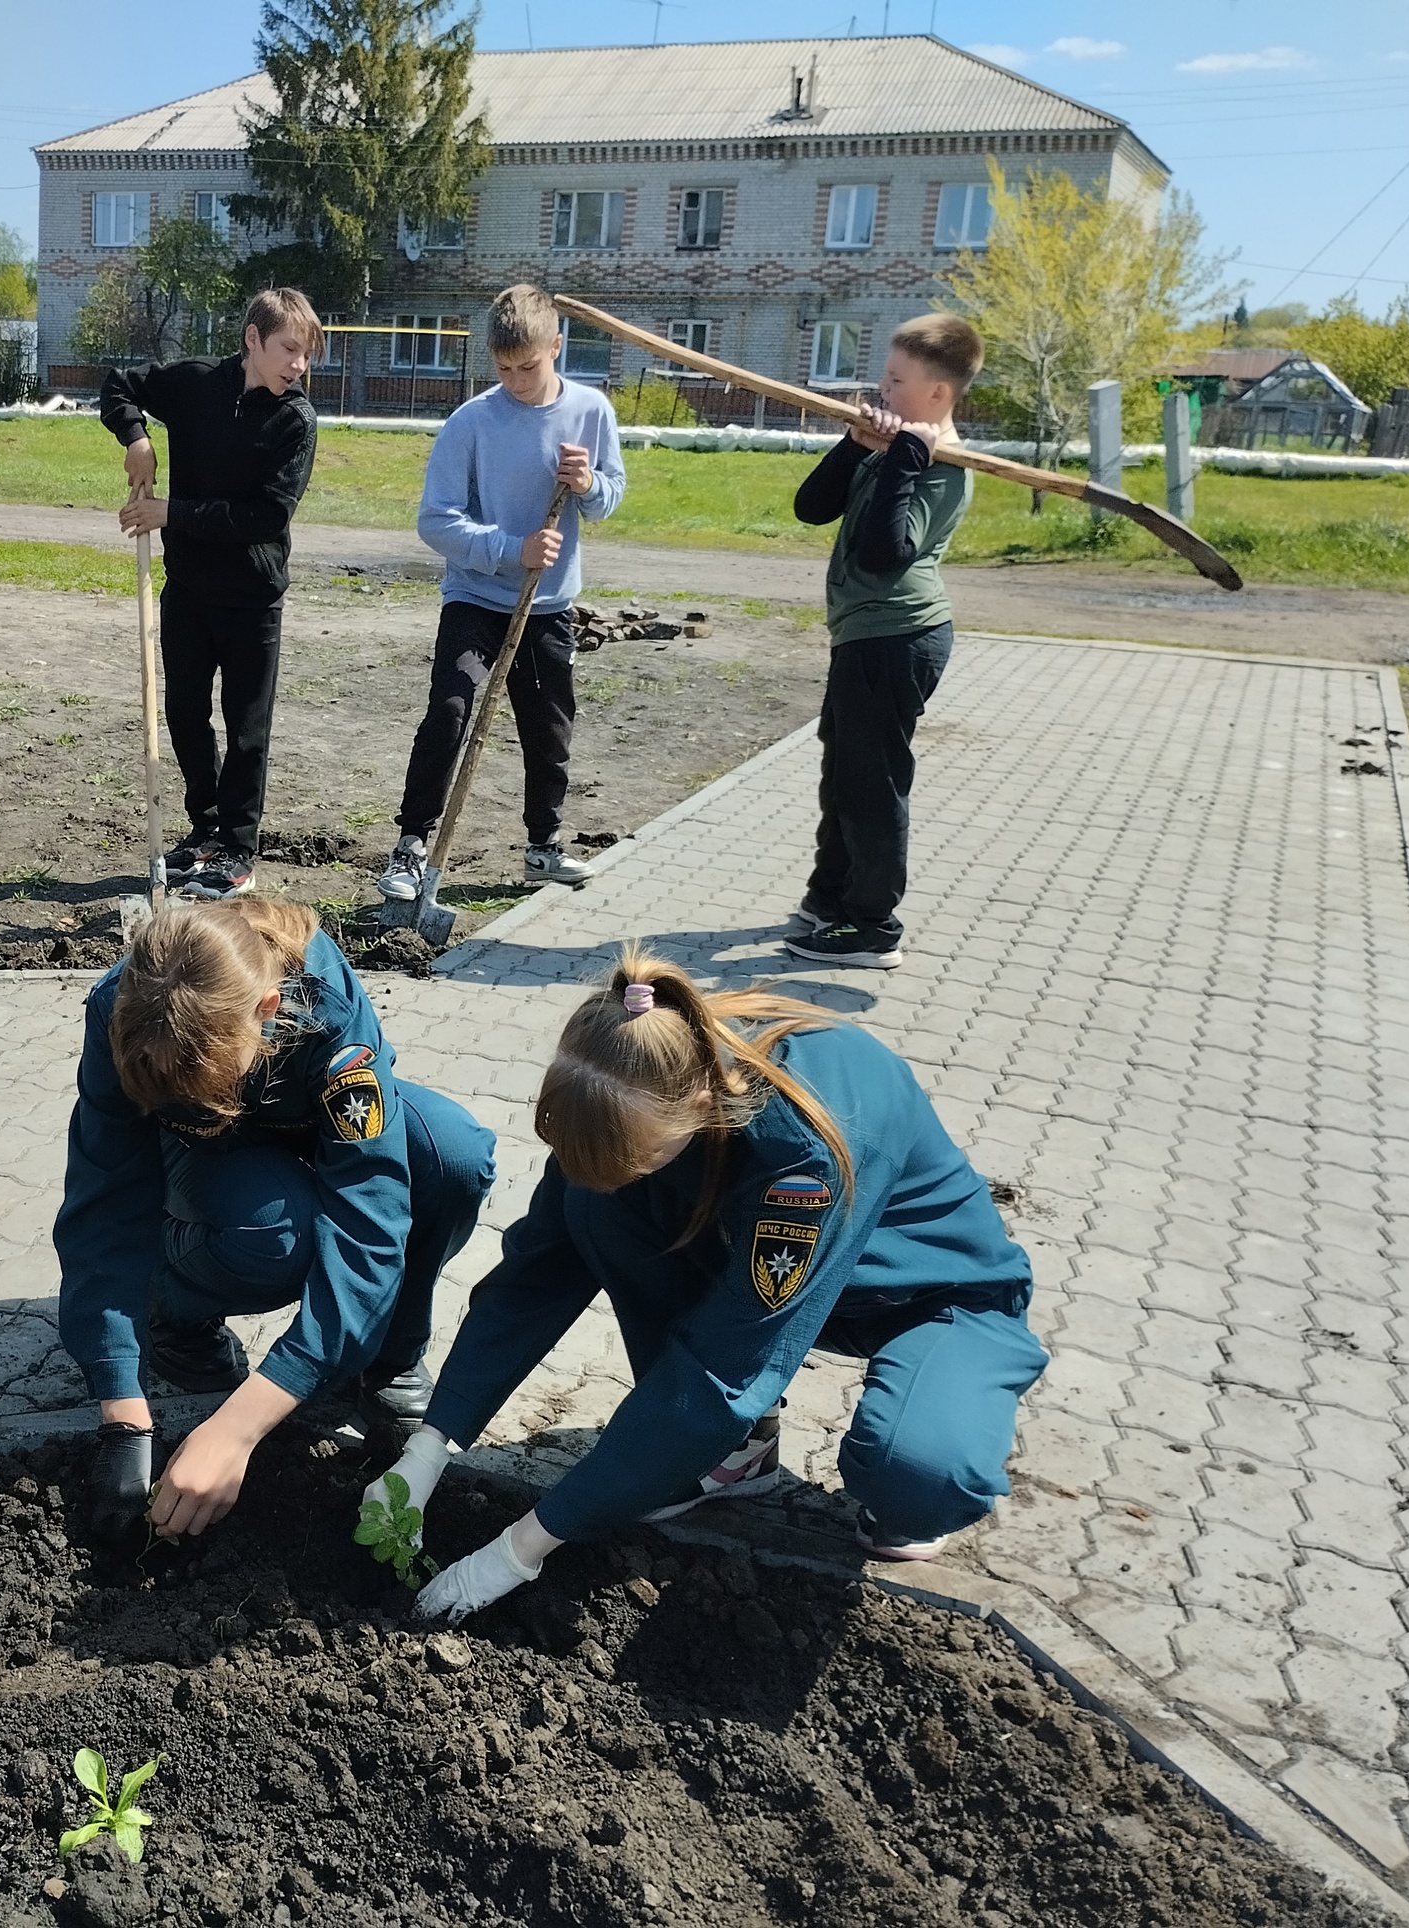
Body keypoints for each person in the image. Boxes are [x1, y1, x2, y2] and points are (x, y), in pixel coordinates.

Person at [364, 947, 1045, 1625]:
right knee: (595, 1207)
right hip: (759, 1265)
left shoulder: (803, 1151)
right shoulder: (630, 1076)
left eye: (640, 1158)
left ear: (697, 1104)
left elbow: (725, 1368)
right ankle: (738, 1456)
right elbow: (534, 1273)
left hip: (922, 1298)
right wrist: (429, 1450)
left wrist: (520, 1550)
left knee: (915, 1474)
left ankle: (917, 1448)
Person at [55, 899, 496, 1552]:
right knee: (279, 1233)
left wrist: (239, 1427)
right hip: (203, 1147)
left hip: (303, 1125)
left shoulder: (327, 1012)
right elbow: (105, 1202)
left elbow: (370, 1219)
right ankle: (172, 1311)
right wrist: (122, 1410)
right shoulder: (120, 1010)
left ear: (267, 1010)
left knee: (452, 1157)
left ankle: (384, 1360)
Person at [379, 285, 626, 907]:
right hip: (474, 598)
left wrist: (589, 483)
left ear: (556, 348)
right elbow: (435, 520)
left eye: (529, 366)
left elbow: (610, 498)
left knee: (548, 727)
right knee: (451, 710)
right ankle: (410, 846)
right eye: (504, 367)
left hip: (548, 606)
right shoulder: (472, 422)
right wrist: (509, 550)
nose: (515, 380)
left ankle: (542, 845)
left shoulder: (591, 411)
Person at [101, 289, 324, 902]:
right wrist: (136, 438)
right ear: (253, 339)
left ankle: (238, 847)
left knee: (247, 728)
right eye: (288, 350)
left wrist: (169, 511)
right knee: (186, 713)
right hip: (190, 592)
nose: (298, 366)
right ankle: (204, 830)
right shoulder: (196, 385)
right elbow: (118, 383)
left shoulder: (296, 421)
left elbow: (265, 517)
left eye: (305, 356)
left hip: (254, 599)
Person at [781, 313, 986, 969]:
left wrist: (904, 460)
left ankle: (871, 924)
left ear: (937, 396)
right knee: (843, 774)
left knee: (873, 784)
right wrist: (854, 445)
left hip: (898, 639)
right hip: (863, 639)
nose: (880, 388)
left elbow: (881, 556)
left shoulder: (945, 468)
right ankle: (832, 897)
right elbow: (811, 507)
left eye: (895, 380)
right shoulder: (894, 447)